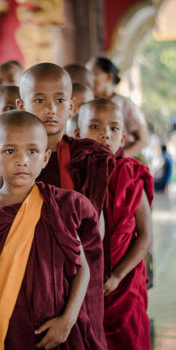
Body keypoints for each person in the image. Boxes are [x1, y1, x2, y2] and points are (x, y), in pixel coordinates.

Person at [0, 110, 107, 349]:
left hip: (54, 324)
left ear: (45, 157)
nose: (23, 160)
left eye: (32, 151)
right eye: (10, 151)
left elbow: (82, 270)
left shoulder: (59, 205)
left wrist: (67, 320)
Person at [16, 63, 114, 348]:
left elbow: (96, 229)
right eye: (39, 100)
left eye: (59, 100)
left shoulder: (88, 158)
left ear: (71, 105)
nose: (50, 109)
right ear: (21, 104)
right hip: (24, 282)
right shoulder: (8, 161)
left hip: (79, 280)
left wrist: (70, 314)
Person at [77, 98, 153, 350]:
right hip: (83, 284)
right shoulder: (72, 174)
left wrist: (118, 276)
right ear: (78, 133)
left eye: (113, 128)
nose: (104, 135)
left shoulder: (131, 174)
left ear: (122, 138)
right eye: (95, 127)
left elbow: (145, 236)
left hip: (125, 282)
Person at [90, 57, 149, 158]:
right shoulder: (89, 103)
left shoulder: (125, 104)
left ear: (109, 77)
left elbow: (143, 140)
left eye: (94, 74)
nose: (89, 79)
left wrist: (118, 158)